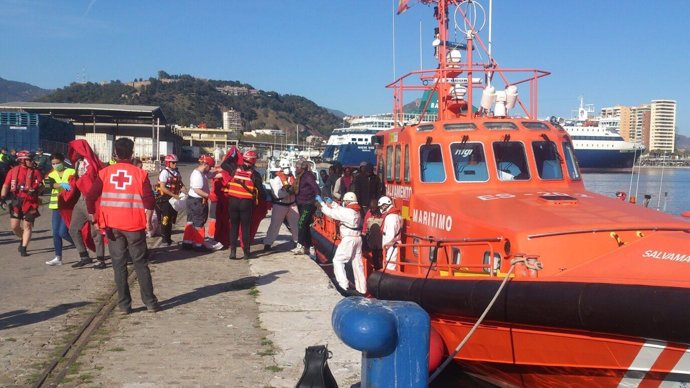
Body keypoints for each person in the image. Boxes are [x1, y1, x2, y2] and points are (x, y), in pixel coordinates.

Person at [86, 137, 159, 314]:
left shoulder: (105, 173)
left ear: (115, 153)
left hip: (112, 227)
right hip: (134, 225)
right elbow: (149, 200)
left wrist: (94, 220)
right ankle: (150, 302)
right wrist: (148, 221)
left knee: (118, 265)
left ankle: (124, 305)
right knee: (140, 263)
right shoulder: (140, 174)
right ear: (132, 153)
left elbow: (90, 197)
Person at [315, 192, 366, 295]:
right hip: (357, 239)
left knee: (338, 260)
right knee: (357, 264)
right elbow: (341, 210)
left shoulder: (348, 212)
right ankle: (362, 289)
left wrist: (322, 204)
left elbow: (331, 213)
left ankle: (343, 285)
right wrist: (333, 203)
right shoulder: (356, 211)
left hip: (348, 239)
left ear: (347, 201)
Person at [67, 140, 107, 269]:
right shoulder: (78, 163)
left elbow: (90, 181)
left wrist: (77, 182)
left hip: (92, 200)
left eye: (76, 150)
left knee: (96, 230)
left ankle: (100, 259)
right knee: (73, 229)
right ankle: (84, 256)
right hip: (81, 199)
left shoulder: (91, 163)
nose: (74, 153)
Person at [222, 149, 266, 259]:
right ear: (254, 161)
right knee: (245, 228)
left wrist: (233, 155)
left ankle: (233, 252)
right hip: (246, 203)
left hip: (233, 202)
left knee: (234, 227)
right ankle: (246, 253)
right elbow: (261, 192)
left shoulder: (234, 169)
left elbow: (224, 164)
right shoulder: (255, 175)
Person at [0, 150, 43, 256]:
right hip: (16, 201)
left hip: (30, 202)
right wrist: (2, 198)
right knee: (14, 227)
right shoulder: (13, 171)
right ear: (22, 161)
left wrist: (36, 190)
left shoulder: (35, 172)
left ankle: (24, 248)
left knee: (27, 225)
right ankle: (24, 238)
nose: (31, 161)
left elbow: (42, 186)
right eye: (29, 159)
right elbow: (6, 185)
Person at [182, 155, 222, 251]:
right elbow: (197, 189)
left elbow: (213, 175)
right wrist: (209, 196)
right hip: (197, 201)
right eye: (210, 166)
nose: (211, 168)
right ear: (205, 164)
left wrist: (222, 172)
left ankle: (187, 242)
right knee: (199, 223)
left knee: (190, 222)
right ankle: (199, 244)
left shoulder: (201, 173)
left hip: (192, 200)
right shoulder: (198, 175)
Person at [45, 153, 76, 266]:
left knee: (63, 232)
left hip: (68, 206)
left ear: (63, 161)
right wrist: (63, 184)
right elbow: (50, 184)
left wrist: (67, 184)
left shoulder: (71, 171)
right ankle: (58, 257)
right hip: (56, 206)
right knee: (55, 233)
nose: (55, 165)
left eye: (57, 163)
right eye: (53, 163)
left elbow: (75, 183)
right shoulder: (51, 174)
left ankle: (80, 245)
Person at [264, 159, 299, 251]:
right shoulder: (276, 180)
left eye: (288, 168)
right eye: (285, 168)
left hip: (292, 204)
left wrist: (294, 190)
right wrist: (290, 191)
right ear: (281, 169)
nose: (287, 170)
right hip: (280, 205)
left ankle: (297, 242)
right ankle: (268, 243)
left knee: (295, 225)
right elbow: (278, 194)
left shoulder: (292, 178)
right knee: (275, 225)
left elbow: (296, 189)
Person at [156, 154, 186, 246]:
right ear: (168, 163)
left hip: (174, 199)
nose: (175, 164)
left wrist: (184, 188)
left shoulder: (177, 172)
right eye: (173, 163)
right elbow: (163, 188)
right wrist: (174, 195)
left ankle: (169, 239)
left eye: (176, 163)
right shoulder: (164, 173)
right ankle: (164, 240)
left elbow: (180, 183)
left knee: (171, 219)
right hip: (165, 199)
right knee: (165, 219)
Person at [293, 160, 320, 255]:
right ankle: (309, 246)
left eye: (297, 167)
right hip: (301, 203)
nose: (295, 168)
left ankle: (300, 245)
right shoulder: (299, 176)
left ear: (302, 168)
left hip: (308, 204)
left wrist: (318, 200)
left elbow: (316, 188)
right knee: (305, 225)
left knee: (301, 223)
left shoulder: (308, 176)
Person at [378, 196, 402, 270]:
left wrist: (385, 246)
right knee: (390, 266)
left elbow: (390, 235)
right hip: (392, 245)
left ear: (385, 205)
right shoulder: (396, 215)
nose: (380, 209)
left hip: (391, 246)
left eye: (381, 206)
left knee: (389, 267)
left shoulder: (391, 217)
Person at [361, 197, 384, 270]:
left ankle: (381, 266)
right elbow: (365, 222)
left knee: (381, 254)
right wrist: (363, 233)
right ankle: (377, 268)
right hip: (372, 238)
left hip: (381, 237)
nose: (372, 210)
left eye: (374, 208)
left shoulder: (383, 214)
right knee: (375, 254)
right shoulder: (369, 213)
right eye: (371, 208)